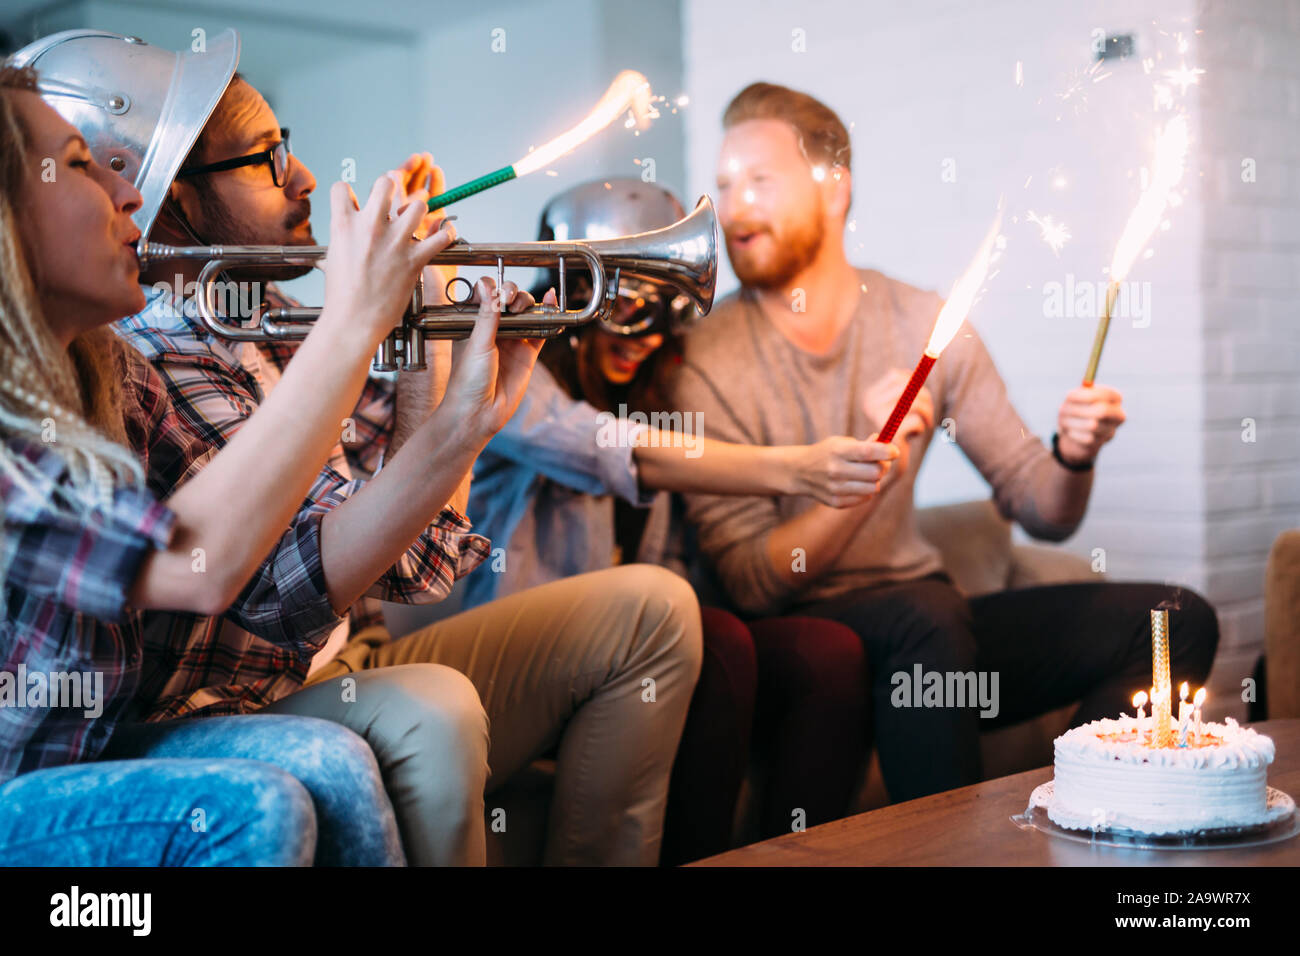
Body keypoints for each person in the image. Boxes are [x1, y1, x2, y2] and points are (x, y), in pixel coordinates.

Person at [27, 30, 703, 865]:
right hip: (221, 701)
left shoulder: (255, 336)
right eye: (269, 158)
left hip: (328, 661)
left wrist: (428, 340)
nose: (306, 177)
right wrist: (372, 335)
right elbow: (264, 588)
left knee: (654, 607)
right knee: (427, 710)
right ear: (176, 202)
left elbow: (415, 561)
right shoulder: (142, 359)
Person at [671, 81, 1220, 804]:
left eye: (759, 181)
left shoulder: (925, 320)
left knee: (1176, 622)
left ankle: (1079, 820)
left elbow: (1042, 507)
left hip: (934, 635)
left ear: (834, 190)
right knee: (925, 616)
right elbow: (755, 580)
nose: (734, 208)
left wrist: (1073, 454)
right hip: (805, 644)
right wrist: (881, 454)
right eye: (723, 186)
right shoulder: (704, 356)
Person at [0, 60, 451, 865]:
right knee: (257, 806)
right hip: (20, 787)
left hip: (91, 753)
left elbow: (302, 560)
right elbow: (196, 566)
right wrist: (354, 320)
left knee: (335, 770)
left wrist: (468, 409)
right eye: (77, 166)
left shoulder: (115, 375)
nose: (129, 194)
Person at [464, 177, 898, 861]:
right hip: (533, 661)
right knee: (719, 639)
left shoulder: (654, 389)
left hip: (638, 648)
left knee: (829, 654)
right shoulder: (505, 376)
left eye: (661, 305)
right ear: (571, 296)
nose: (643, 333)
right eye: (624, 304)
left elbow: (668, 569)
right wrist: (795, 467)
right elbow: (604, 449)